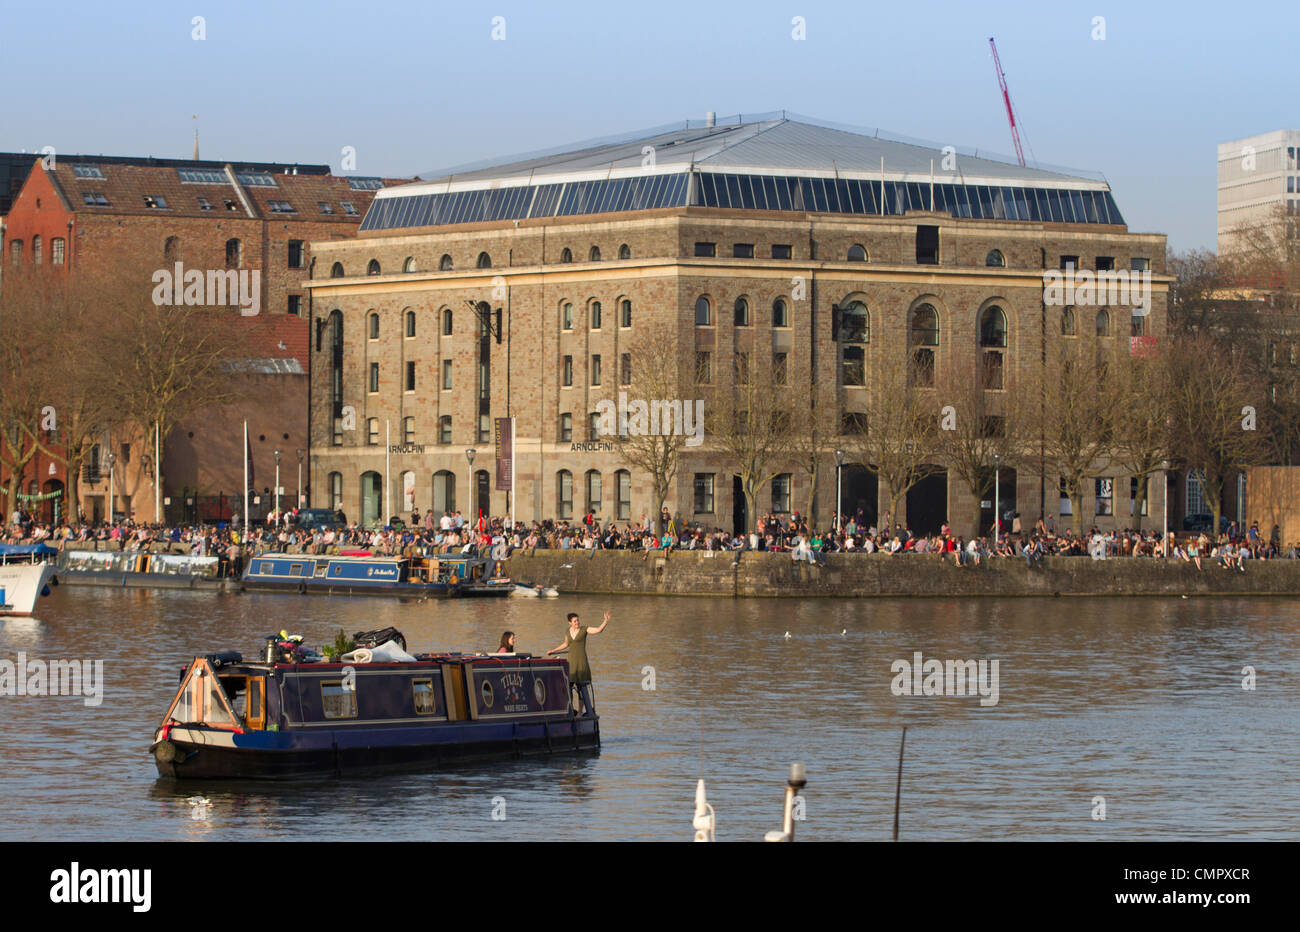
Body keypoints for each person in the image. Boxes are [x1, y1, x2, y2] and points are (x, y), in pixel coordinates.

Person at [546, 609, 610, 714]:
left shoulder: (584, 629)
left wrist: (605, 621)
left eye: (578, 620)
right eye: (575, 621)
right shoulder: (567, 631)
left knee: (581, 689)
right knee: (569, 687)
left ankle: (580, 712)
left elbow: (598, 630)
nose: (577, 623)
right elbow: (566, 644)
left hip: (581, 662)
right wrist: (553, 650)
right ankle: (569, 710)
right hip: (571, 662)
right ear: (570, 622)